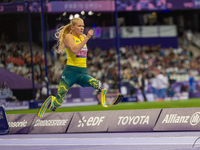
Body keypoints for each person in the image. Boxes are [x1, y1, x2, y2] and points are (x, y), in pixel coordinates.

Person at [47, 17, 105, 111]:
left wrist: (85, 38)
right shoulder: (69, 37)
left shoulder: (82, 37)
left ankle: (100, 90)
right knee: (58, 102)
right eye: (79, 26)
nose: (82, 28)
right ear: (72, 27)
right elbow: (74, 50)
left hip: (82, 72)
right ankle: (54, 104)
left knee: (95, 83)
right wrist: (87, 38)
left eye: (83, 26)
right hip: (70, 73)